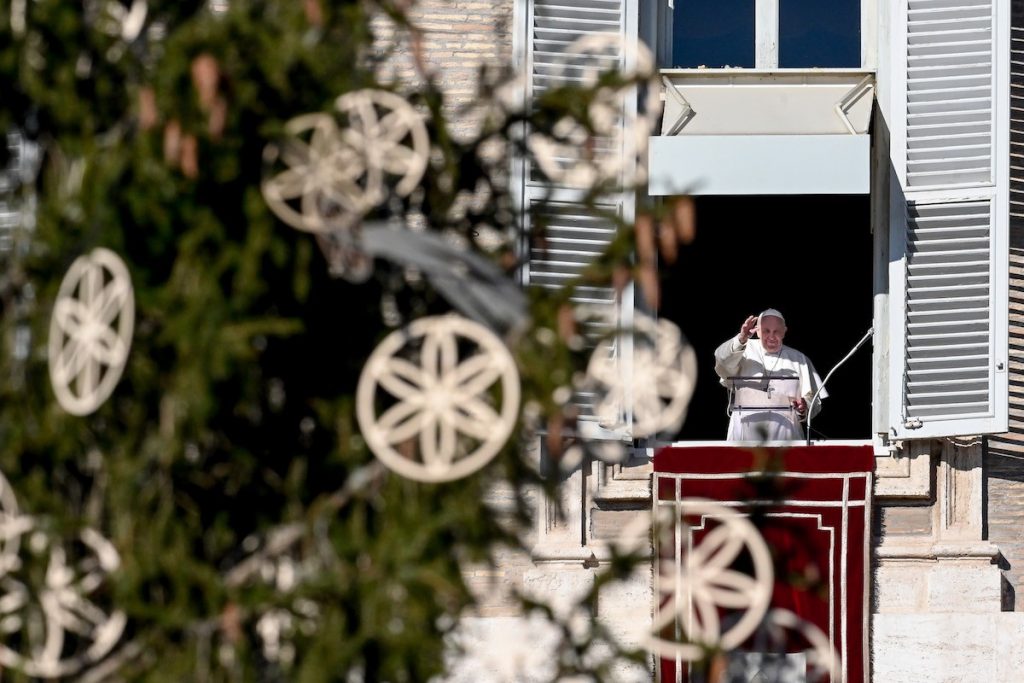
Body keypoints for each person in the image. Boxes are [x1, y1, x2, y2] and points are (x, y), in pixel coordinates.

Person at [713, 309, 826, 441]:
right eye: (766, 330)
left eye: (776, 331)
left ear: (784, 331)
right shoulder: (742, 349)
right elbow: (722, 361)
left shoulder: (799, 358)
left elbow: (814, 400)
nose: (771, 336)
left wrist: (804, 406)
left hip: (786, 432)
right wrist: (741, 338)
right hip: (745, 430)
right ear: (758, 331)